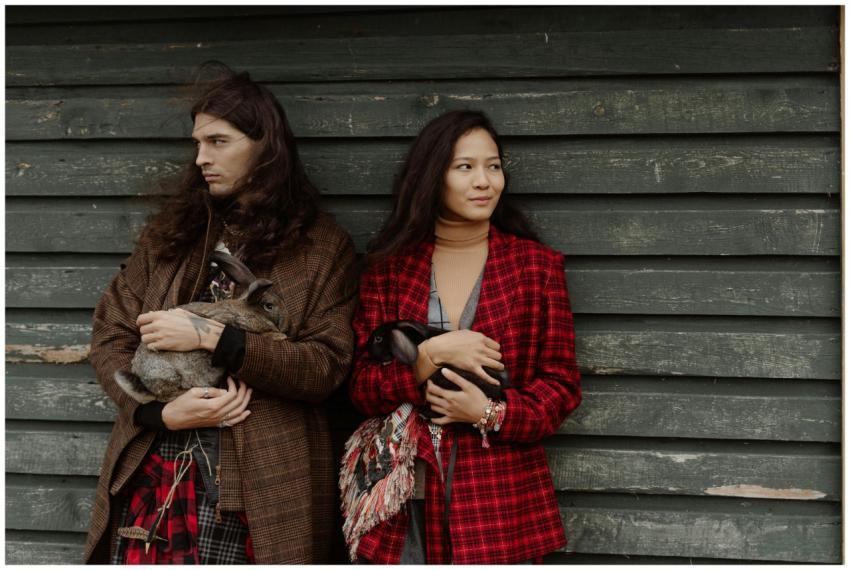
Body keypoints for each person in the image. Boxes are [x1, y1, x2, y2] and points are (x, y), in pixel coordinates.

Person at [84, 66, 357, 564]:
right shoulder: (172, 237)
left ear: (265, 147)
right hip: (157, 464)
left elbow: (326, 366)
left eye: (218, 141)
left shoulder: (319, 248)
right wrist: (157, 413)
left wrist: (216, 338)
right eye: (197, 143)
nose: (201, 158)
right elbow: (110, 336)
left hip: (263, 484)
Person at [344, 110, 582, 564]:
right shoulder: (388, 270)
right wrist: (426, 359)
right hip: (405, 499)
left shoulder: (536, 267)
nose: (484, 181)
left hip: (498, 502)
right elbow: (359, 387)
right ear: (434, 176)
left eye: (493, 166)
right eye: (465, 167)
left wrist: (488, 413)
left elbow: (561, 387)